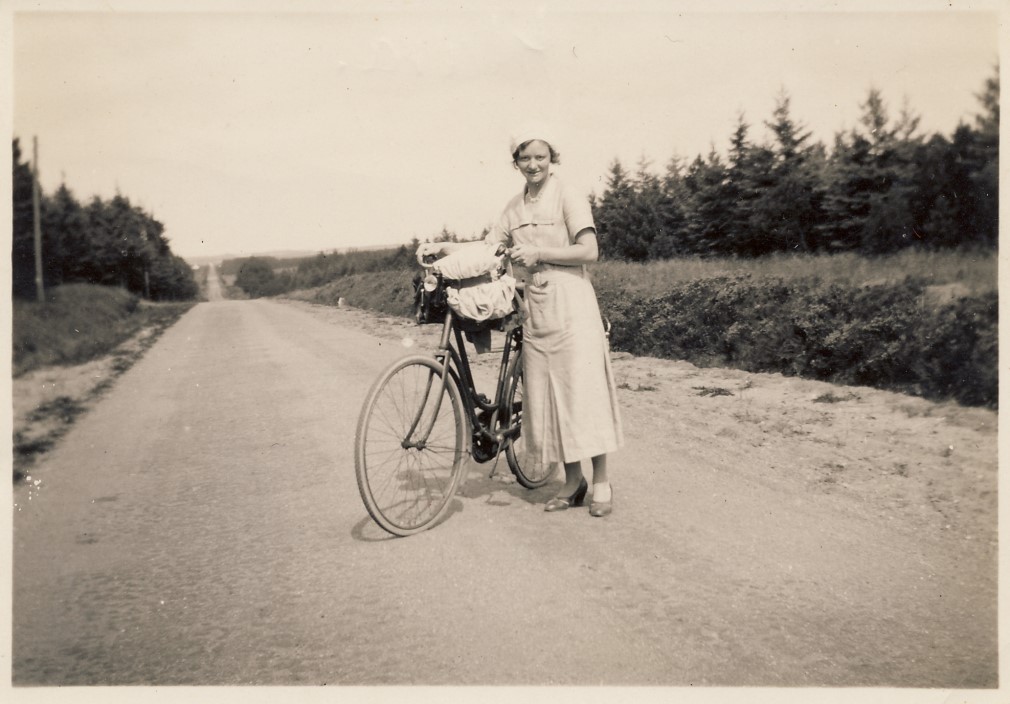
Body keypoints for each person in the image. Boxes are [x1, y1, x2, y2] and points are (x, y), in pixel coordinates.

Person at [416, 128, 623, 517]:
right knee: (546, 396)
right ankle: (572, 480)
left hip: (572, 303)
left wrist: (539, 251)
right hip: (535, 310)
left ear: (552, 159)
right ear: (516, 163)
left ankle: (601, 481)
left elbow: (589, 250)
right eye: (525, 158)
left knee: (582, 392)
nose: (533, 165)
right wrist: (445, 247)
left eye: (541, 157)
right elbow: (488, 246)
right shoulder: (513, 207)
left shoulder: (568, 195)